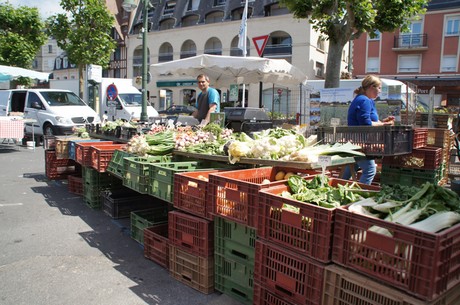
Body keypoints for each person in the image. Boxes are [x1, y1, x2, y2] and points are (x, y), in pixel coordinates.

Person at [342, 75, 395, 184]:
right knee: (370, 170)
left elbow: (367, 120)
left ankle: (336, 186)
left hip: (355, 140)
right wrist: (383, 125)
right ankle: (360, 196)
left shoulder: (363, 99)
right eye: (379, 88)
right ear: (371, 87)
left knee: (352, 166)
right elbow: (365, 123)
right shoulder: (364, 100)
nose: (380, 91)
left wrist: (382, 122)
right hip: (360, 141)